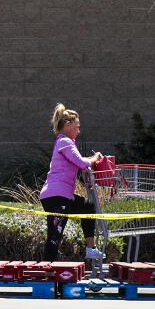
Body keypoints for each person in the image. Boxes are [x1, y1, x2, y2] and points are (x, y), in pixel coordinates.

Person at [39, 104, 105, 262]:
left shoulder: (66, 142)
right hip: (56, 197)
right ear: (68, 125)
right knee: (54, 237)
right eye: (77, 126)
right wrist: (95, 158)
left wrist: (92, 161)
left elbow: (80, 161)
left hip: (63, 196)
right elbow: (81, 162)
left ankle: (91, 249)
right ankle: (48, 275)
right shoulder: (65, 142)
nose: (79, 131)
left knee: (87, 206)